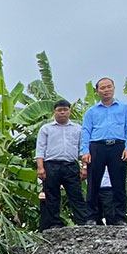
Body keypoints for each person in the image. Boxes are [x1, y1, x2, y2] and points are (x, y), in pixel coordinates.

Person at [81, 77, 127, 225]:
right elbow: (86, 131)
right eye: (102, 88)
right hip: (97, 146)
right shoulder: (91, 111)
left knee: (118, 183)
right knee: (93, 183)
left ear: (113, 88)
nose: (106, 90)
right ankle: (91, 217)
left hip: (118, 146)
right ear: (97, 91)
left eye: (109, 87)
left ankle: (119, 218)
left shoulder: (124, 108)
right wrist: (85, 151)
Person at [35, 99, 89, 230]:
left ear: (70, 112)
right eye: (59, 110)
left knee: (76, 194)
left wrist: (84, 167)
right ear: (54, 112)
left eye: (65, 110)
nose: (62, 113)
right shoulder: (46, 129)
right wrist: (40, 168)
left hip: (71, 165)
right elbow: (40, 149)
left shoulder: (78, 129)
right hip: (51, 165)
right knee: (52, 195)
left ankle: (83, 221)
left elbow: (83, 149)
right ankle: (55, 223)